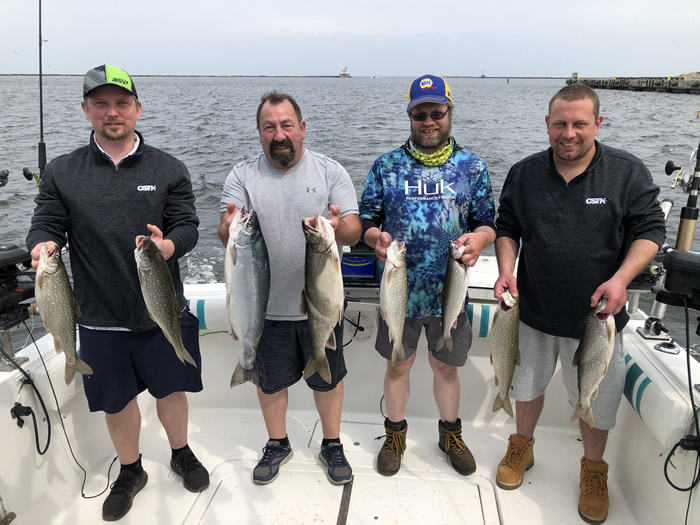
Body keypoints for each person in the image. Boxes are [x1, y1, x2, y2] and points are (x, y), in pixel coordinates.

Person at [26, 65, 209, 522]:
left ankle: (181, 452)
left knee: (171, 389)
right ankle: (131, 469)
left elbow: (188, 225)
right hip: (97, 313)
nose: (113, 112)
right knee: (116, 399)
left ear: (138, 108)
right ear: (86, 110)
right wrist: (43, 243)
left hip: (161, 306)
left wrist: (168, 245)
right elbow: (47, 221)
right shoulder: (62, 172)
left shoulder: (169, 168)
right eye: (101, 104)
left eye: (122, 103)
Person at [493, 84, 665, 524]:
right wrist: (507, 269)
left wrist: (622, 278)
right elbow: (507, 226)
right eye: (560, 124)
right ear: (547, 125)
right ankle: (521, 447)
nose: (568, 133)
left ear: (598, 124)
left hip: (599, 319)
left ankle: (593, 470)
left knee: (597, 400)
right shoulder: (524, 172)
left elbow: (650, 230)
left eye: (579, 124)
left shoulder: (626, 172)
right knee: (525, 386)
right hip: (532, 311)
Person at [218, 91, 361, 486]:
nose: (278, 134)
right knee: (270, 380)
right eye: (269, 127)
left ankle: (332, 443)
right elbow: (224, 230)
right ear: (259, 132)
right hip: (264, 306)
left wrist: (337, 224)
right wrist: (229, 225)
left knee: (328, 378)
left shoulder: (330, 172)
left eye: (286, 125)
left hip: (321, 305)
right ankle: (277, 442)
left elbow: (353, 227)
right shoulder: (242, 175)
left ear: (301, 128)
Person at [359, 75, 496, 477]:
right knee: (399, 365)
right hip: (399, 290)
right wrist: (374, 238)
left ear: (450, 113)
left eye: (437, 112)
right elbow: (367, 219)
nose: (429, 121)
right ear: (410, 117)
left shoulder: (472, 166)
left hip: (449, 290)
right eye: (421, 114)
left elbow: (487, 222)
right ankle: (395, 434)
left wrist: (480, 240)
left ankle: (449, 433)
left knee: (446, 367)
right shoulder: (386, 166)